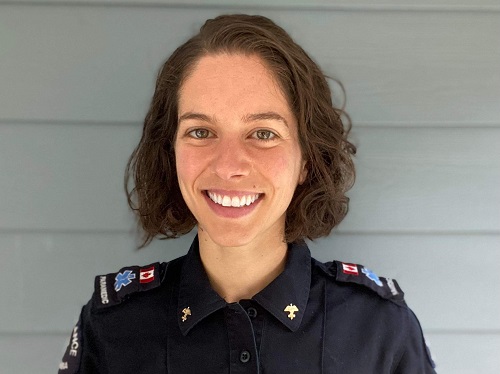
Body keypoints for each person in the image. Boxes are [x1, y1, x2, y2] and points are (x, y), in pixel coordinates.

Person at [58, 14, 436, 373]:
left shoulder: (380, 329)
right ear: (170, 151)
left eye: (263, 134)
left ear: (306, 158)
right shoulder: (112, 326)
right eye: (201, 132)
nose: (228, 166)